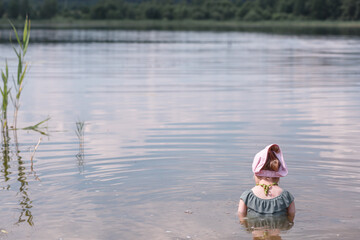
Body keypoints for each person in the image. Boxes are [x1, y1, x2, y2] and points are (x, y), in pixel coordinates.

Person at [238, 144, 295, 223]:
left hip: (256, 232)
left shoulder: (247, 196)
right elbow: (291, 217)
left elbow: (241, 216)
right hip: (277, 233)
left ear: (256, 172)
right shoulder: (286, 196)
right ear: (278, 173)